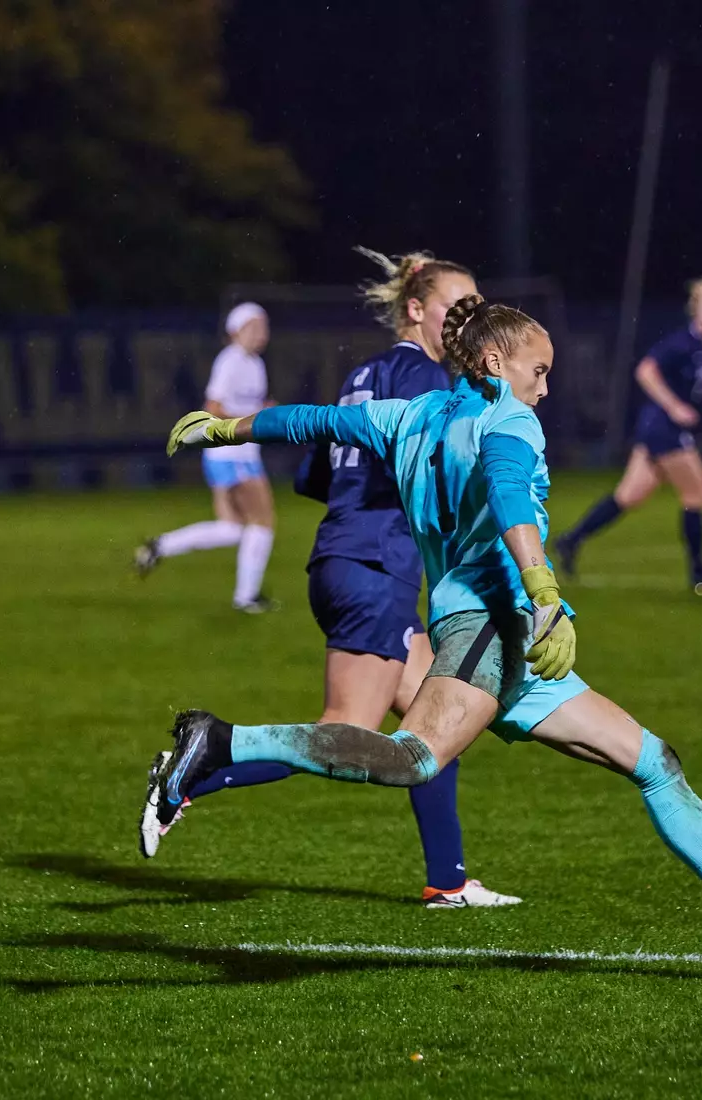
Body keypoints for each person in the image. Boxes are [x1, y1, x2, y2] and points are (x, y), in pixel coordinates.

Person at [142, 293, 702, 967]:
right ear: (493, 365)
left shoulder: (407, 415)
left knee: (653, 762)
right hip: (494, 624)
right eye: (537, 371)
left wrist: (227, 428)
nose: (544, 388)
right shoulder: (508, 420)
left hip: (508, 646)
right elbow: (512, 498)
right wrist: (544, 591)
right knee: (412, 759)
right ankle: (224, 741)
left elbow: (317, 420)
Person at [141, 250, 519, 909]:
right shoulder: (421, 376)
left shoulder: (362, 374)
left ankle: (448, 882)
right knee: (345, 731)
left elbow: (314, 478)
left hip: (349, 556)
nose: (470, 320)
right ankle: (202, 765)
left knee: (438, 724)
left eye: (476, 306)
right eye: (459, 307)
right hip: (374, 564)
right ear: (416, 310)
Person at [553, 277, 702, 595]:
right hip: (662, 428)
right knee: (697, 493)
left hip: (659, 429)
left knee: (629, 496)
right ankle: (699, 572)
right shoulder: (681, 342)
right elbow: (646, 371)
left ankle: (570, 540)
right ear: (696, 311)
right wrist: (675, 406)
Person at [134, 303, 277, 612]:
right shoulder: (231, 361)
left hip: (234, 453)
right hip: (232, 453)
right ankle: (246, 597)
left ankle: (161, 546)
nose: (261, 333)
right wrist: (255, 415)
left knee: (232, 529)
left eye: (263, 327)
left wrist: (265, 408)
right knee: (263, 521)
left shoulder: (254, 363)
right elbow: (212, 408)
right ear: (235, 331)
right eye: (254, 327)